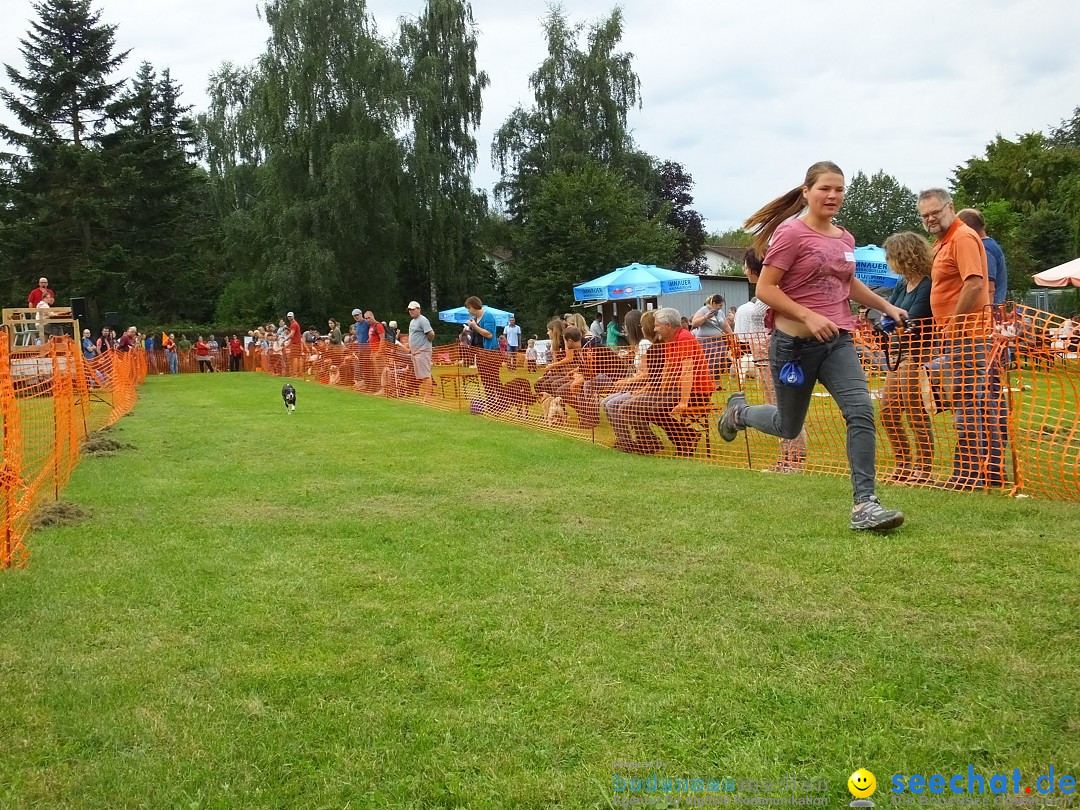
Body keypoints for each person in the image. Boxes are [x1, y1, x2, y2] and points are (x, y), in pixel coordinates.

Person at [720, 160, 907, 531]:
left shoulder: (845, 238)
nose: (833, 195)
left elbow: (848, 284)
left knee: (861, 412)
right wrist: (807, 316)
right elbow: (765, 289)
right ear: (807, 191)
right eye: (825, 188)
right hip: (793, 348)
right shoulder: (790, 234)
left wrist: (887, 306)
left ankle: (865, 504)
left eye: (839, 189)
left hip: (838, 342)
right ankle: (738, 413)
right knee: (788, 427)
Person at [918, 187, 996, 489]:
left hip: (968, 335)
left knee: (968, 405)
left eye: (935, 212)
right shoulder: (942, 242)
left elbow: (974, 284)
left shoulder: (962, 237)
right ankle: (978, 472)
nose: (930, 219)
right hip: (960, 335)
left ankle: (970, 475)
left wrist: (954, 324)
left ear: (951, 207)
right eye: (925, 216)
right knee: (970, 403)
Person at [738, 249, 807, 473]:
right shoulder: (763, 293)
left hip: (775, 357)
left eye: (745, 265)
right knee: (776, 407)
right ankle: (786, 457)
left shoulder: (773, 291)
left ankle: (794, 459)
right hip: (763, 359)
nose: (744, 270)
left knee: (784, 408)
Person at [879, 232, 935, 485]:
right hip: (897, 354)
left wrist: (893, 320)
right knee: (888, 412)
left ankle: (923, 469)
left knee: (916, 414)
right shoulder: (902, 284)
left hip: (916, 354)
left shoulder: (927, 284)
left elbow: (909, 318)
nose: (889, 261)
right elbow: (890, 313)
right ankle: (902, 465)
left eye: (891, 256)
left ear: (903, 256)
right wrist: (891, 319)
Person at [956, 208, 1008, 306]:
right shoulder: (989, 245)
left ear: (966, 228)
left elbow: (989, 289)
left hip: (989, 312)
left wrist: (987, 315)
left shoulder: (985, 248)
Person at [691, 293, 733, 382]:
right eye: (719, 305)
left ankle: (717, 384)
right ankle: (708, 382)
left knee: (720, 361)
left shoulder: (720, 313)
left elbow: (725, 325)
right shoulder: (703, 310)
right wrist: (706, 317)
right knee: (710, 362)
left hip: (718, 341)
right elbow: (694, 323)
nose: (720, 307)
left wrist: (732, 335)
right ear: (713, 304)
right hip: (706, 342)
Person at [464, 296, 500, 396]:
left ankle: (499, 402)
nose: (469, 311)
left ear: (474, 306)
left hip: (490, 353)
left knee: (493, 380)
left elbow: (489, 334)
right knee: (485, 380)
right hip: (480, 354)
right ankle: (490, 403)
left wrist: (475, 326)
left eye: (469, 308)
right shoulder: (475, 319)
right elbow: (478, 335)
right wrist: (470, 330)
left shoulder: (488, 316)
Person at [407, 301, 435, 403]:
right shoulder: (413, 321)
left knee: (426, 374)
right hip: (416, 352)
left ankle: (428, 397)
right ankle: (426, 395)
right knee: (422, 375)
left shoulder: (422, 320)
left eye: (413, 309)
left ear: (419, 309)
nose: (411, 311)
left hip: (423, 351)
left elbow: (431, 333)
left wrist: (427, 343)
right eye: (410, 309)